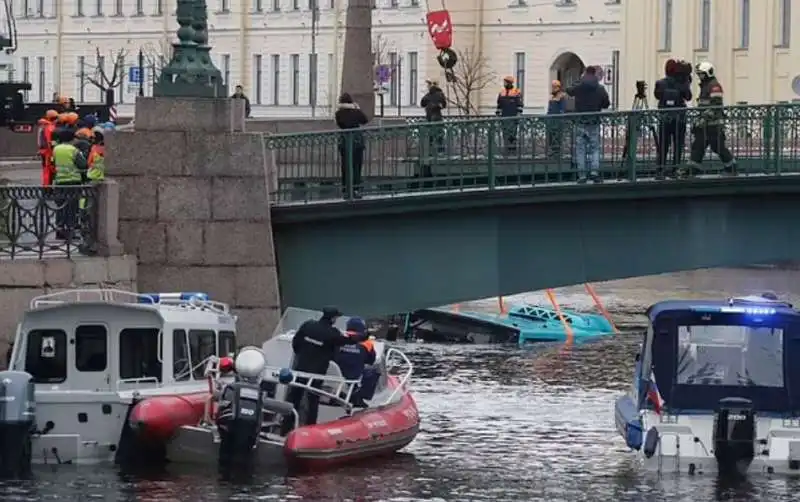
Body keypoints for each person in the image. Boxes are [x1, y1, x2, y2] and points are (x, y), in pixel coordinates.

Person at [282, 307, 369, 433]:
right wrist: (364, 336)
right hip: (317, 373)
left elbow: (296, 343)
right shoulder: (332, 333)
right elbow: (348, 340)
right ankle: (309, 431)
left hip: (300, 369)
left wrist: (302, 356)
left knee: (294, 398)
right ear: (333, 318)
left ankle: (285, 428)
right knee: (313, 402)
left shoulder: (308, 325)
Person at [684, 61, 736, 177]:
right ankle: (693, 169)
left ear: (707, 73)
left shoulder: (714, 86)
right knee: (698, 146)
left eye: (701, 74)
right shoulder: (706, 86)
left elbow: (716, 106)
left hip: (713, 124)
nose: (699, 76)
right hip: (705, 124)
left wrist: (703, 119)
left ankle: (731, 168)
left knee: (718, 147)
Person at [566, 66, 611, 183]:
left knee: (580, 149)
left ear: (585, 73)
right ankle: (594, 173)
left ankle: (582, 176)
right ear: (595, 74)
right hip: (594, 122)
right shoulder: (600, 88)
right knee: (594, 148)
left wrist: (579, 80)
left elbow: (568, 90)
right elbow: (606, 103)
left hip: (580, 121)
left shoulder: (579, 86)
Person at [653, 59, 692, 178]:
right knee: (678, 145)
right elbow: (689, 97)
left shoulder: (660, 83)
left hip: (665, 118)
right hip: (679, 118)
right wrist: (686, 82)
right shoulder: (682, 83)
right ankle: (675, 169)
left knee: (663, 144)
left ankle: (660, 169)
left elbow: (657, 95)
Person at [51, 128, 88, 240]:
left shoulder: (56, 149)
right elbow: (83, 164)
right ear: (71, 139)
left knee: (61, 206)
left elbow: (53, 162)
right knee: (72, 207)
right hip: (73, 181)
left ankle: (59, 229)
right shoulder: (73, 150)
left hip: (59, 181)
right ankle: (71, 230)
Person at [333, 317, 377, 406]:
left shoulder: (338, 339)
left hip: (334, 377)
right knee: (372, 371)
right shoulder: (367, 344)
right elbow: (371, 360)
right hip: (352, 380)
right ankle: (360, 397)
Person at [334, 93, 369, 199]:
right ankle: (356, 188)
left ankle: (346, 188)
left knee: (345, 166)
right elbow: (365, 120)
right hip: (357, 141)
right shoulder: (355, 111)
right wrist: (357, 108)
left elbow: (340, 124)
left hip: (345, 141)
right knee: (357, 166)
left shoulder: (338, 113)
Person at [496, 76, 524, 154]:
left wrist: (519, 114)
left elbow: (520, 104)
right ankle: (507, 149)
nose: (504, 84)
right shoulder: (502, 92)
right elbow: (499, 105)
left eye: (505, 82)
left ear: (509, 83)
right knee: (505, 133)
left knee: (512, 133)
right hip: (504, 116)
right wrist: (498, 114)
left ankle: (512, 150)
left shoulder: (516, 92)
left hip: (513, 117)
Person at [420, 79, 447, 154]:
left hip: (430, 117)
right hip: (437, 117)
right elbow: (444, 105)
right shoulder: (440, 94)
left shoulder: (429, 95)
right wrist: (437, 105)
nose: (427, 87)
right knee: (439, 135)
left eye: (428, 85)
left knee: (431, 135)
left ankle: (429, 152)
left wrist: (431, 105)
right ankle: (440, 152)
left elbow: (422, 103)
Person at [546, 80, 567, 158]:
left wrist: (561, 118)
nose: (553, 88)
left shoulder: (562, 96)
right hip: (550, 119)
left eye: (555, 87)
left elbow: (563, 108)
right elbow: (549, 108)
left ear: (558, 87)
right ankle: (552, 150)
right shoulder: (551, 96)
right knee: (551, 135)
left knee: (557, 135)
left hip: (558, 119)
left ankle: (557, 151)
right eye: (553, 86)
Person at [37, 109, 58, 186]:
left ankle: (46, 186)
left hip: (44, 151)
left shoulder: (43, 126)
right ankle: (47, 187)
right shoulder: (49, 127)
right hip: (48, 152)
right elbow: (50, 142)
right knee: (49, 169)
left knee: (46, 169)